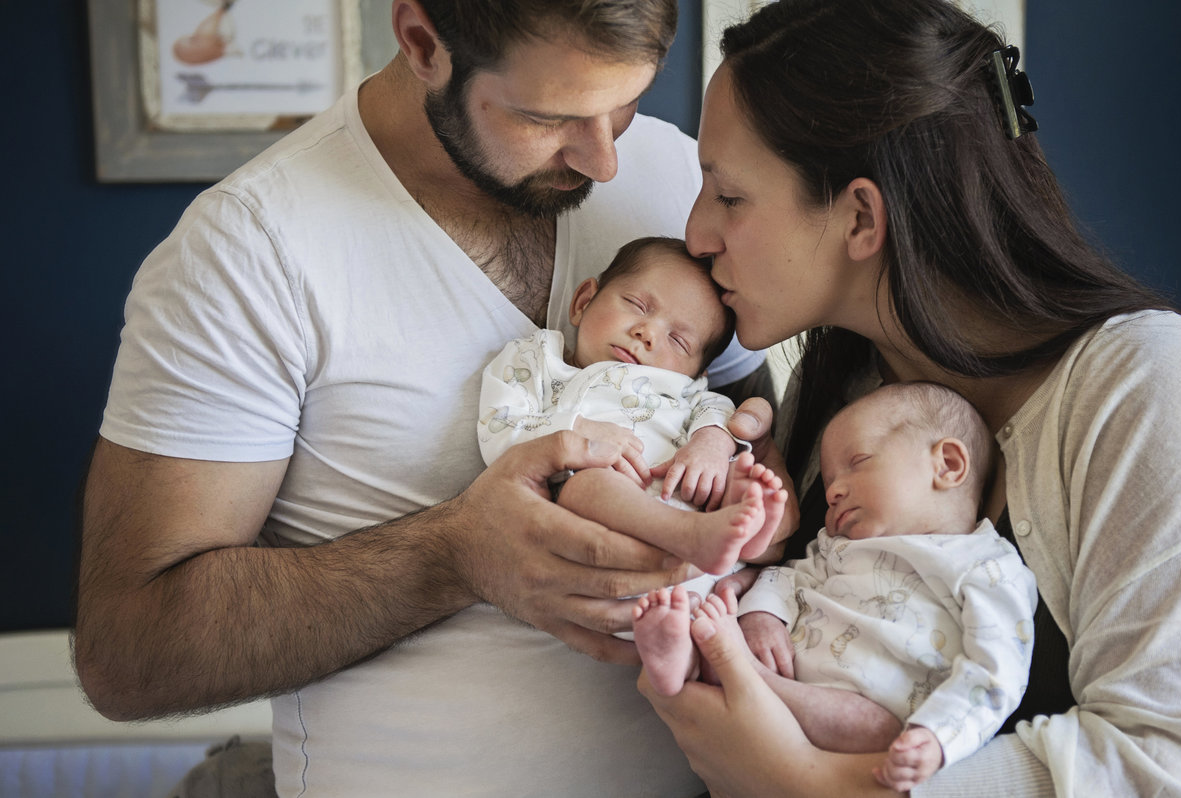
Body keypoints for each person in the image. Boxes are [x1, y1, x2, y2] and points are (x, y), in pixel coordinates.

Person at [72, 2, 781, 796]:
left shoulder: (680, 178)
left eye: (627, 103)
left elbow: (757, 434)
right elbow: (129, 652)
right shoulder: (249, 251)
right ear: (421, 43)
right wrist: (455, 556)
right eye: (547, 116)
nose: (607, 160)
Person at [639, 0, 1181, 795]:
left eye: (729, 196)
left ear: (861, 216)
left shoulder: (1147, 385)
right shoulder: (842, 392)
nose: (697, 234)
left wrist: (818, 786)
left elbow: (1171, 761)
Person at [636, 381, 1038, 792]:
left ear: (948, 464)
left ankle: (743, 673)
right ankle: (677, 662)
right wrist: (761, 618)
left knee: (877, 729)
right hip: (768, 716)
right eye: (828, 485)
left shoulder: (987, 567)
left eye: (858, 461)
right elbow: (788, 577)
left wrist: (939, 737)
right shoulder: (837, 547)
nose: (833, 491)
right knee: (716, 618)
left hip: (859, 733)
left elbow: (996, 671)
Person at [479, 236, 788, 580]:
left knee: (726, 476)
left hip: (691, 517)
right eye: (638, 305)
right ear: (583, 301)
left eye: (678, 340)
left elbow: (718, 411)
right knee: (586, 487)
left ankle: (751, 538)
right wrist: (577, 430)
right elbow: (498, 425)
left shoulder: (688, 393)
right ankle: (690, 533)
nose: (648, 333)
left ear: (697, 375)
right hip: (599, 517)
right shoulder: (537, 360)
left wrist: (710, 445)